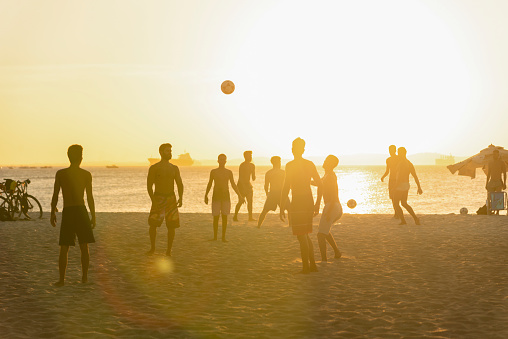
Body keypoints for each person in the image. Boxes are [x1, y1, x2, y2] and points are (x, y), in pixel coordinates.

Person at [50, 144, 96, 286]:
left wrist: (52, 212)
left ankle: (62, 280)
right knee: (84, 246)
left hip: (68, 211)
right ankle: (84, 278)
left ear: (68, 157)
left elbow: (56, 195)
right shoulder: (86, 174)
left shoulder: (61, 174)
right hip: (81, 211)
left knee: (64, 247)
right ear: (81, 158)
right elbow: (89, 197)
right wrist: (93, 215)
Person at [280, 138, 321, 274]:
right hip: (305, 201)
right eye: (293, 147)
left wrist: (318, 203)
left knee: (302, 235)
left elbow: (286, 187)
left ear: (302, 149)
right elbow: (320, 184)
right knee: (304, 235)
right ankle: (312, 265)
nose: (294, 150)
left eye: (295, 147)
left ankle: (306, 267)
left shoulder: (293, 165)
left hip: (300, 201)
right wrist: (316, 203)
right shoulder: (305, 164)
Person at [146, 143, 183, 256]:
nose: (170, 153)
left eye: (170, 151)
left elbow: (179, 184)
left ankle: (168, 250)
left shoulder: (174, 168)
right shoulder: (154, 168)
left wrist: (181, 197)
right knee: (153, 224)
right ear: (161, 152)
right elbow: (149, 185)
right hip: (159, 197)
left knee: (171, 226)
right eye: (167, 151)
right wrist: (153, 199)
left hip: (171, 198)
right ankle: (152, 248)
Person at [205, 154, 244, 242]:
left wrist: (240, 196)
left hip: (226, 196)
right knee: (215, 217)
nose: (222, 161)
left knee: (224, 216)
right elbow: (210, 183)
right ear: (218, 161)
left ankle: (223, 237)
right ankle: (215, 237)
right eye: (220, 159)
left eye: (224, 160)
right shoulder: (213, 172)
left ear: (226, 161)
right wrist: (206, 195)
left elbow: (233, 184)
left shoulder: (229, 172)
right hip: (216, 196)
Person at [314, 155, 342, 262]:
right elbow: (317, 184)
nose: (324, 161)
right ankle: (337, 252)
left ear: (330, 163)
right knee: (324, 231)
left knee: (321, 234)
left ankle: (324, 260)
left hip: (332, 206)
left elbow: (334, 194)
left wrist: (329, 212)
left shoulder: (331, 176)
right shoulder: (326, 175)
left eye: (326, 160)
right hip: (332, 206)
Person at [393, 147, 422, 225]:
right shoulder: (409, 163)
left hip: (400, 185)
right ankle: (415, 218)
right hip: (406, 185)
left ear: (403, 153)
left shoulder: (402, 163)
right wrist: (419, 187)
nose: (398, 154)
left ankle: (403, 221)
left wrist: (396, 185)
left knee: (396, 203)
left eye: (399, 152)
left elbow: (399, 175)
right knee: (404, 203)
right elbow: (415, 176)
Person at [257, 156, 288, 228]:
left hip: (273, 193)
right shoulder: (283, 172)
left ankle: (258, 225)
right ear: (277, 162)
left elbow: (266, 186)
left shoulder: (269, 173)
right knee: (289, 208)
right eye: (279, 161)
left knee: (265, 210)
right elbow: (287, 184)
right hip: (280, 193)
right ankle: (290, 225)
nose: (280, 163)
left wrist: (267, 194)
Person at [233, 151, 256, 222]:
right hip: (241, 185)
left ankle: (250, 217)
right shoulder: (242, 165)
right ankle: (235, 216)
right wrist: (243, 188)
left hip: (248, 185)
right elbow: (241, 178)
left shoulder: (252, 165)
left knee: (250, 201)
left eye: (251, 156)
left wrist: (254, 175)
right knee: (240, 201)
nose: (250, 157)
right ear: (245, 157)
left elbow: (253, 178)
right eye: (249, 156)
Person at [380, 145, 399, 218]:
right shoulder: (388, 160)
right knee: (392, 197)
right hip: (391, 180)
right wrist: (383, 176)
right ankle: (396, 213)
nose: (390, 151)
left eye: (392, 150)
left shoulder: (398, 158)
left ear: (395, 150)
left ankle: (398, 213)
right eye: (389, 150)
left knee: (397, 197)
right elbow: (387, 170)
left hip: (398, 180)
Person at [486, 149, 507, 215]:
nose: (494, 155)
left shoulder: (501, 162)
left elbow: (504, 173)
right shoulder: (490, 162)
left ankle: (497, 211)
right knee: (489, 195)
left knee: (498, 196)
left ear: (498, 155)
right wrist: (486, 183)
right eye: (493, 154)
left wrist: (504, 183)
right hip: (492, 181)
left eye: (495, 154)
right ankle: (491, 209)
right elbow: (488, 173)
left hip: (498, 181)